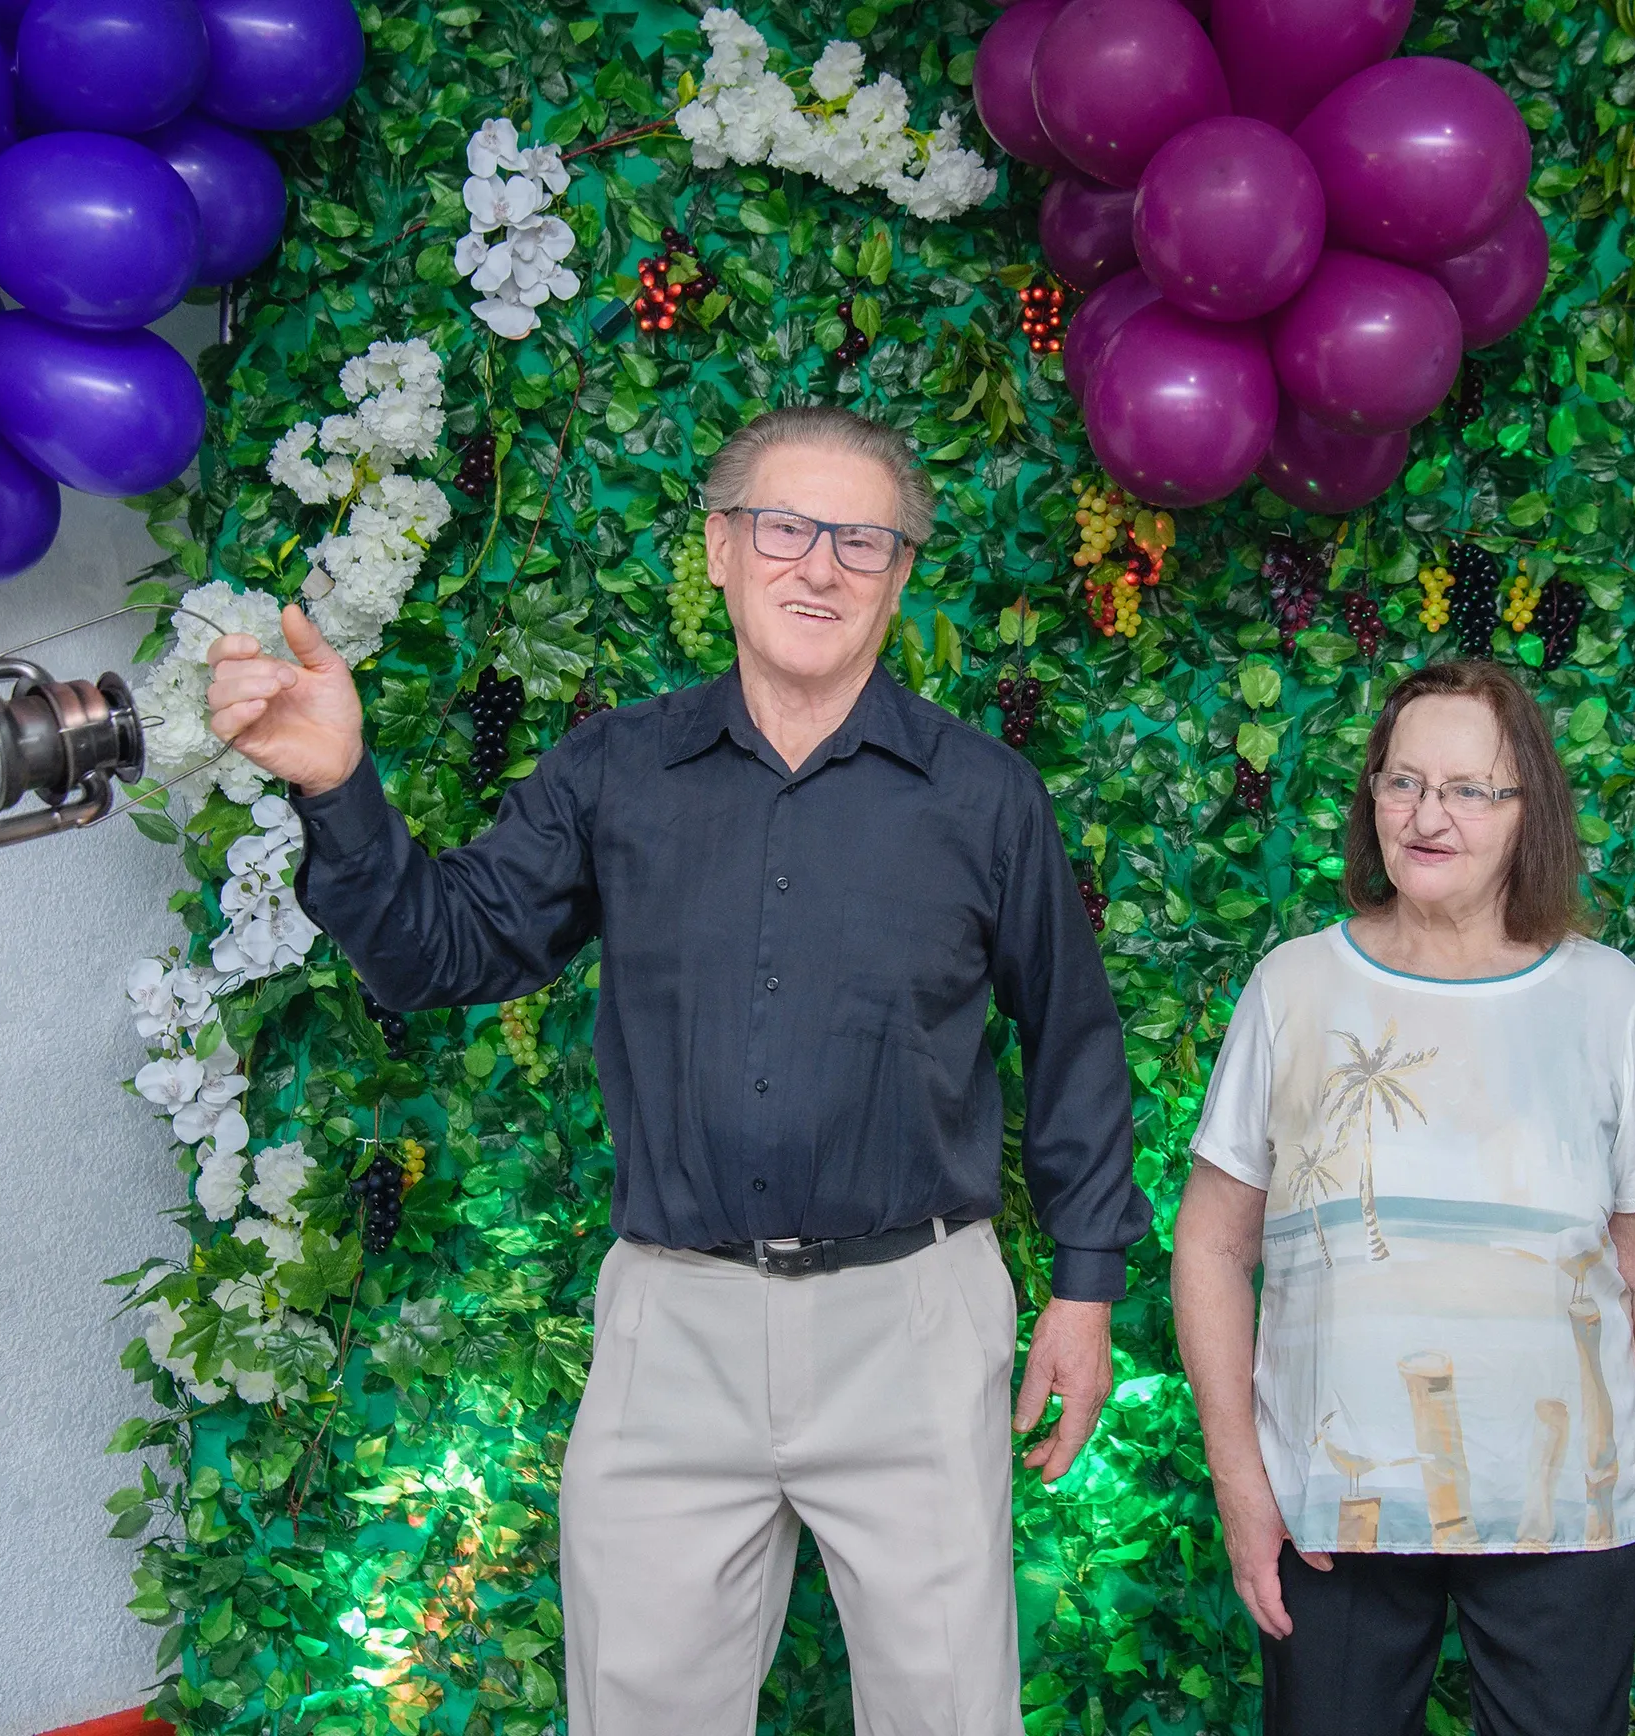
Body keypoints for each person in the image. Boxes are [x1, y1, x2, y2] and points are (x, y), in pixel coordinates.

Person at [203, 404, 1152, 1736]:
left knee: (949, 1715)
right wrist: (340, 787)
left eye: (860, 541)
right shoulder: (613, 773)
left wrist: (1088, 1289)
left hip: (916, 1323)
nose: (817, 567)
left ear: (899, 572)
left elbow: (1071, 1039)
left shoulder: (982, 796)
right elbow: (441, 951)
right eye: (783, 527)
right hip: (672, 1330)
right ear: (718, 548)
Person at [1172, 660, 1635, 1736]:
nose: (1429, 816)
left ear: (1528, 814)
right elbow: (1208, 1244)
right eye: (1402, 783)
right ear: (1371, 799)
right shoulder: (1291, 984)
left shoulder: (1601, 994)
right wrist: (1243, 1485)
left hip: (1569, 1515)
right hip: (1331, 1511)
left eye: (1471, 789)